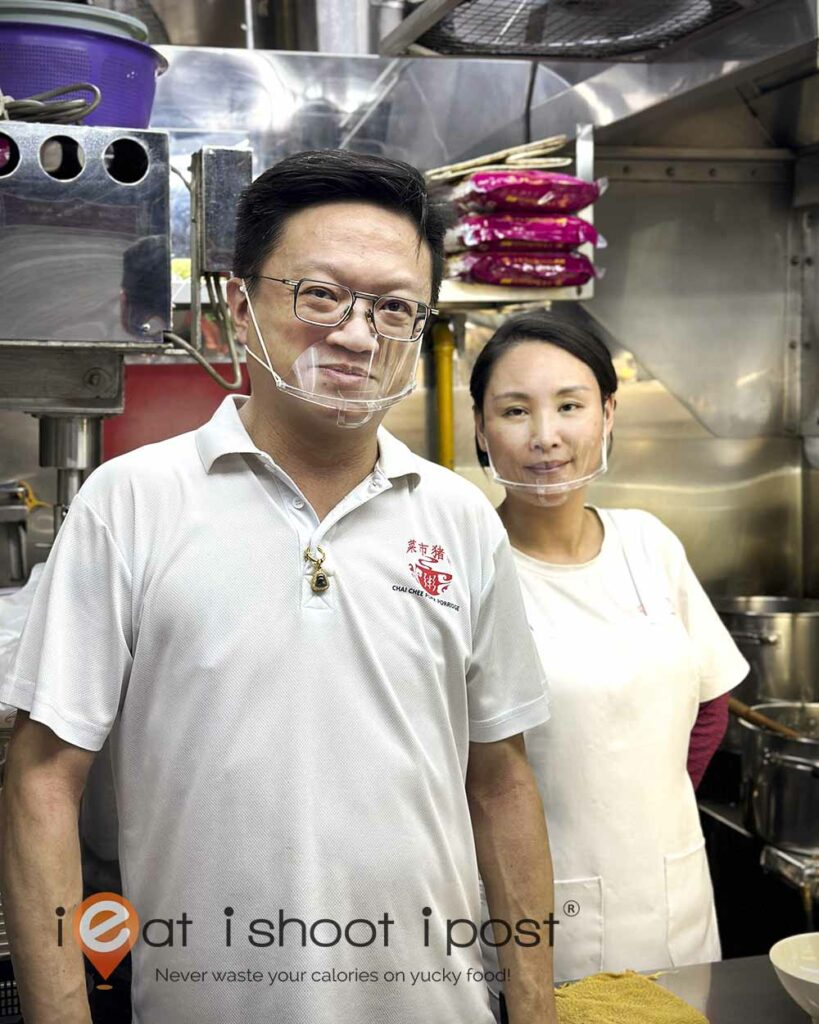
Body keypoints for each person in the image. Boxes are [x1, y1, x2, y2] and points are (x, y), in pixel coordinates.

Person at [0, 151, 559, 1024]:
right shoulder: (135, 502)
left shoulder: (458, 518)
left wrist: (531, 1007)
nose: (356, 332)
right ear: (237, 305)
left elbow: (501, 782)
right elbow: (42, 781)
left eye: (394, 307)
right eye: (320, 295)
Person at [470, 310, 749, 995]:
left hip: (675, 902)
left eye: (570, 405)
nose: (546, 437)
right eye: (514, 411)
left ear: (607, 413)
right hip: (545, 926)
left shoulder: (647, 542)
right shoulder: (469, 565)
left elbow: (709, 700)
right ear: (479, 427)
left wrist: (641, 800)